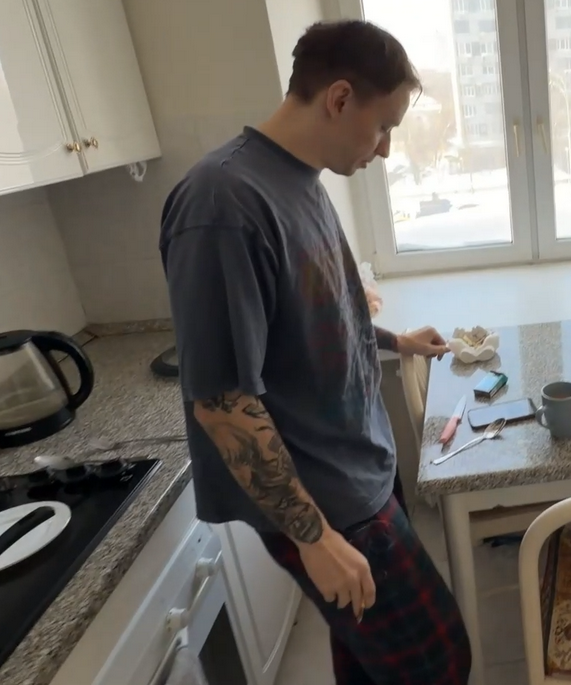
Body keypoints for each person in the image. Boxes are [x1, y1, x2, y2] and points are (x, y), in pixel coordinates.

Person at [160, 19, 471, 685]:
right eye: (382, 126)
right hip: (329, 502)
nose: (386, 148)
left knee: (365, 660)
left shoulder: (300, 180)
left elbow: (321, 317)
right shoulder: (222, 203)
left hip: (361, 469)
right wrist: (315, 536)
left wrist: (395, 342)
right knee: (438, 661)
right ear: (339, 98)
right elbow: (221, 400)